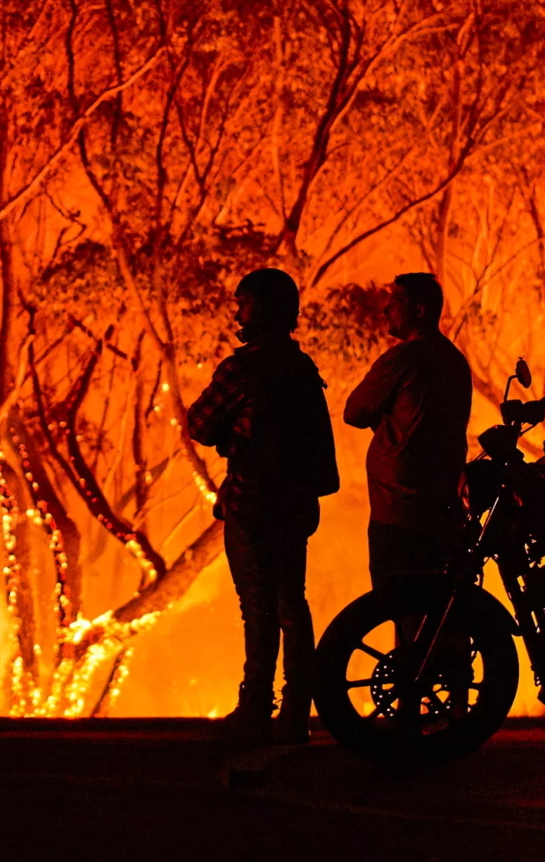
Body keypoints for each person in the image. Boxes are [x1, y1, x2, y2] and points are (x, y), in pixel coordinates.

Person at [185, 267, 339, 745]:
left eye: (244, 303)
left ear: (262, 309)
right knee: (293, 603)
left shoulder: (242, 370)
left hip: (251, 501)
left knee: (258, 608)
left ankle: (256, 707)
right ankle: (295, 712)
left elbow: (199, 424)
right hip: (295, 504)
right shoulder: (302, 369)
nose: (237, 312)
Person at [343, 272, 474, 594]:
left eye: (396, 301)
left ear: (420, 310)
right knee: (438, 610)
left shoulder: (403, 358)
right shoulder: (455, 361)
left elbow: (355, 412)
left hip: (398, 512)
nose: (387, 309)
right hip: (442, 511)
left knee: (400, 605)